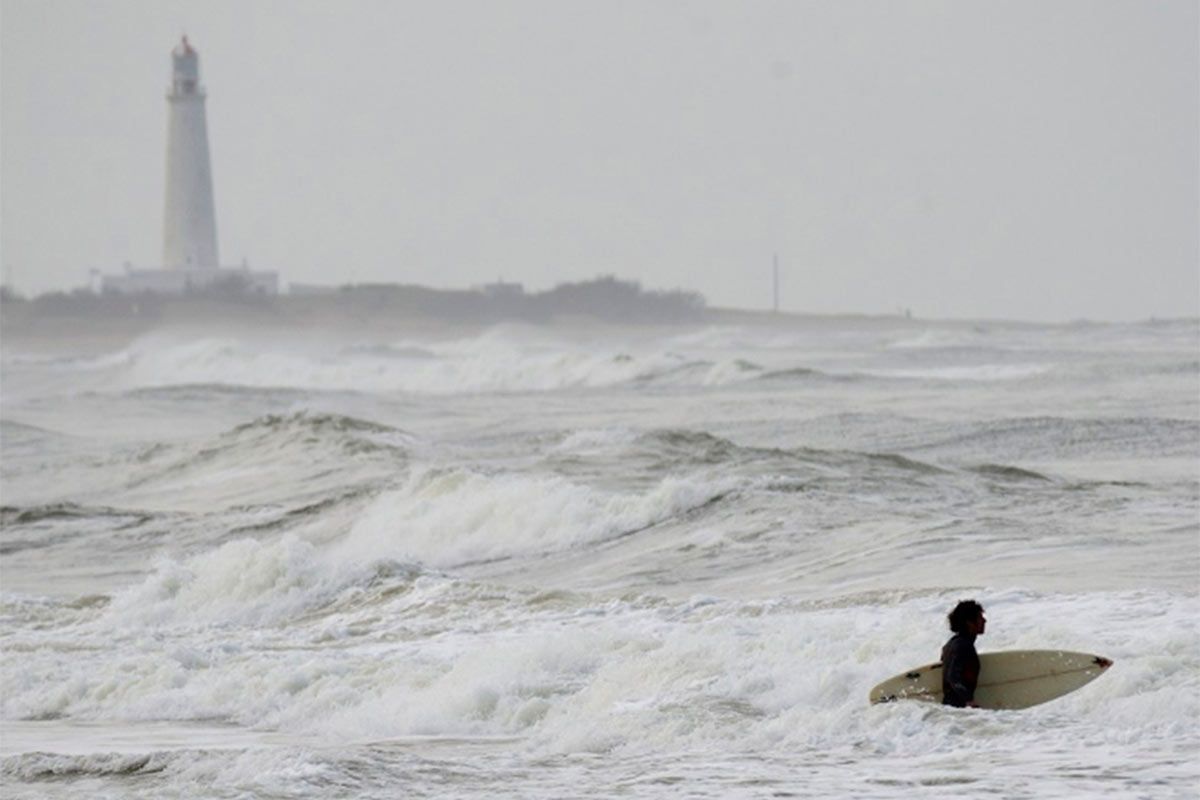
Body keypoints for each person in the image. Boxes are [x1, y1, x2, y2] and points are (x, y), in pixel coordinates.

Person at [942, 600, 986, 708]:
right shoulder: (963, 646)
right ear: (969, 623)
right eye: (980, 618)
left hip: (950, 709)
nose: (984, 620)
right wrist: (969, 700)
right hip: (958, 708)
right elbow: (952, 676)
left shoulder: (950, 644)